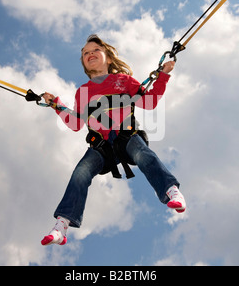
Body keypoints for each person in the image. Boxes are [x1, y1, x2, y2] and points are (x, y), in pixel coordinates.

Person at [40, 35, 186, 246]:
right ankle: (62, 225)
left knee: (144, 155)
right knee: (80, 173)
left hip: (126, 136)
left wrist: (162, 75)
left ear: (108, 58)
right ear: (83, 62)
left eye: (94, 50)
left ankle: (171, 191)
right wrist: (56, 105)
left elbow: (149, 101)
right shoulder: (83, 92)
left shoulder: (123, 81)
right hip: (101, 145)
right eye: (84, 53)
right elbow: (75, 123)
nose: (89, 54)